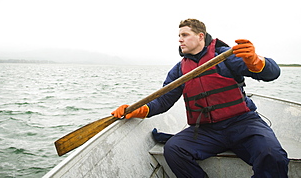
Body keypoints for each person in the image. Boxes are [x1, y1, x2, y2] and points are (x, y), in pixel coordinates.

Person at [112, 18, 289, 178]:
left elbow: (273, 73)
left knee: (272, 154)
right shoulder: (179, 70)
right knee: (173, 149)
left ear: (200, 36)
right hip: (206, 130)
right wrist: (138, 110)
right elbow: (163, 100)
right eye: (179, 36)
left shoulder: (225, 56)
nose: (180, 39)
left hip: (243, 123)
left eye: (185, 35)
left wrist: (256, 61)